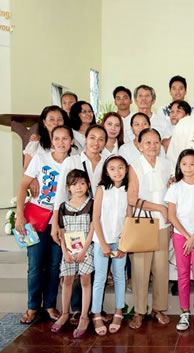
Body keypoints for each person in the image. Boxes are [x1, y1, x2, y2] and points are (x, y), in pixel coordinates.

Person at [15, 125, 74, 324]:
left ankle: (49, 305)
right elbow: (23, 185)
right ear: (51, 140)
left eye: (65, 138)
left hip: (61, 221)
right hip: (36, 218)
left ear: (72, 141)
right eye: (57, 138)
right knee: (34, 265)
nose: (61, 142)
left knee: (54, 265)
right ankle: (32, 307)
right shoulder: (40, 158)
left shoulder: (75, 162)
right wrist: (19, 214)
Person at [51, 125, 107, 324]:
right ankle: (72, 311)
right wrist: (55, 223)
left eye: (101, 139)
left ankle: (89, 311)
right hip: (72, 222)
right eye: (92, 137)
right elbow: (60, 193)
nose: (96, 142)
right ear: (85, 138)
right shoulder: (72, 160)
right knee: (69, 272)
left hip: (96, 221)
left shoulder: (107, 161)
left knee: (89, 270)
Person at [127, 128, 173, 329]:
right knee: (140, 269)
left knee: (161, 268)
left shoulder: (167, 164)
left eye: (156, 142)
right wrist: (159, 208)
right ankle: (139, 311)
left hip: (164, 224)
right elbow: (131, 199)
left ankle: (158, 309)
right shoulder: (135, 166)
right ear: (139, 145)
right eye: (147, 142)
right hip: (143, 223)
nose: (152, 146)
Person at [165, 149, 194, 331]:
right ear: (179, 166)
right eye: (184, 164)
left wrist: (193, 237)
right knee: (183, 275)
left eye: (192, 164)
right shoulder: (175, 188)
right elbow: (171, 215)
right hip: (180, 237)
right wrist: (186, 236)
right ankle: (184, 312)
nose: (188, 167)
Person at [54, 169, 95, 338]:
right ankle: (65, 313)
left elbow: (93, 228)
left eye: (82, 183)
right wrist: (65, 251)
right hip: (69, 251)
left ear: (88, 185)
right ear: (68, 187)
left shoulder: (91, 204)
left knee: (85, 280)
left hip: (86, 249)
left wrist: (84, 250)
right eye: (74, 184)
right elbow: (61, 232)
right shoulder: (63, 207)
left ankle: (84, 316)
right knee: (67, 280)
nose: (78, 187)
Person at [91, 155, 129, 336]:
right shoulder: (101, 190)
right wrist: (104, 243)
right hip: (102, 241)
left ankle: (119, 311)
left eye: (120, 167)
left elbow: (128, 221)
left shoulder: (128, 190)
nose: (117, 171)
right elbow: (95, 218)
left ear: (126, 170)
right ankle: (96, 313)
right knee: (99, 279)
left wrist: (123, 245)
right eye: (112, 168)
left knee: (120, 276)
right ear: (106, 171)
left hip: (121, 242)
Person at [23, 105, 68, 172]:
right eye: (51, 119)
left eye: (59, 119)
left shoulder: (71, 145)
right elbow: (26, 171)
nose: (56, 123)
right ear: (44, 122)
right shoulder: (35, 144)